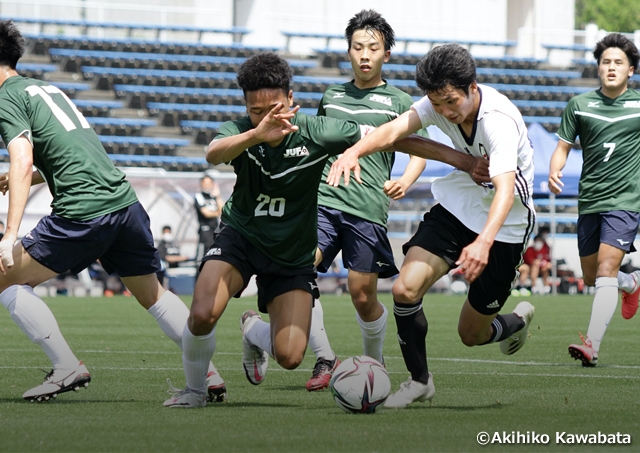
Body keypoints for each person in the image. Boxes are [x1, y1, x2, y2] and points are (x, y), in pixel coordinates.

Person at [162, 52, 484, 408]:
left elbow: (392, 137)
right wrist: (256, 133)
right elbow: (213, 153)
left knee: (290, 356)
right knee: (203, 312)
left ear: (292, 100)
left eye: (275, 109)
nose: (268, 117)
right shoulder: (241, 132)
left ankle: (253, 330)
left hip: (292, 252)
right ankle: (194, 391)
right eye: (257, 111)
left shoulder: (318, 131)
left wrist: (465, 161)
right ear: (247, 108)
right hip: (242, 236)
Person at [0, 20, 226, 403]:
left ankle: (66, 365)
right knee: (154, 295)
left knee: (5, 280)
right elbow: (71, 154)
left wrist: (9, 233)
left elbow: (23, 160)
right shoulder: (46, 89)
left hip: (83, 209)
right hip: (124, 202)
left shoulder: (6, 97)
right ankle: (206, 372)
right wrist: (28, 177)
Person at [327, 43, 536, 409]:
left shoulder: (497, 120)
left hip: (505, 224)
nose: (443, 112)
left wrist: (484, 242)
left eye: (450, 102)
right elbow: (393, 132)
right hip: (458, 205)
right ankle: (420, 381)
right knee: (405, 290)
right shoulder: (436, 104)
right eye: (436, 104)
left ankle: (515, 321)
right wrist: (352, 152)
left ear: (473, 87)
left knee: (471, 335)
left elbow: (505, 190)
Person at [304, 9, 427, 391]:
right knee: (297, 271)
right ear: (348, 51)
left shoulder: (399, 100)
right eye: (357, 47)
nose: (364, 54)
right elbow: (316, 143)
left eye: (373, 47)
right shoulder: (332, 96)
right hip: (324, 200)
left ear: (386, 54)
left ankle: (374, 362)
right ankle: (325, 357)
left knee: (361, 294)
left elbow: (419, 149)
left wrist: (406, 179)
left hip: (368, 208)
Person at [548, 33, 640, 367]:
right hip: (590, 201)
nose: (611, 67)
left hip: (626, 200)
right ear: (598, 68)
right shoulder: (579, 105)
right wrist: (554, 171)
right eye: (606, 62)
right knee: (591, 276)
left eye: (618, 62)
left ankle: (592, 344)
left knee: (604, 269)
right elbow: (562, 148)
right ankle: (631, 282)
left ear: (631, 70)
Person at [194, 174, 222, 263]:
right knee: (203, 258)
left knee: (215, 256)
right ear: (201, 183)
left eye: (209, 183)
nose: (207, 185)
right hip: (205, 231)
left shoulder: (214, 197)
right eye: (205, 183)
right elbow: (206, 213)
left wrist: (218, 196)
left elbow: (222, 210)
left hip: (216, 230)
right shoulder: (199, 196)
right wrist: (217, 213)